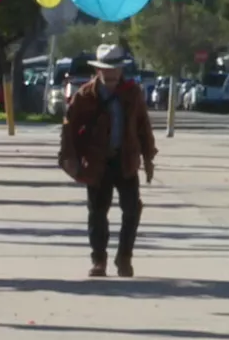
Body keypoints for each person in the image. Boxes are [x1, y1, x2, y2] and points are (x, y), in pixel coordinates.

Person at [59, 44, 157, 277]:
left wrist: (149, 157)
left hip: (126, 160)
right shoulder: (84, 96)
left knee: (132, 210)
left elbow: (143, 126)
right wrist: (69, 158)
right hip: (96, 161)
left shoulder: (132, 94)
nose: (112, 74)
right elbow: (69, 128)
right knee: (97, 212)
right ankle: (99, 260)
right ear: (98, 71)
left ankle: (124, 257)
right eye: (107, 69)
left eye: (116, 69)